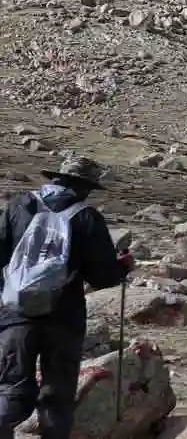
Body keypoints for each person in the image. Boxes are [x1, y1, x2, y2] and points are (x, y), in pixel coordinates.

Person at [0, 156, 134, 438]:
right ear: (84, 186)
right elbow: (102, 277)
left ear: (56, 178)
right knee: (58, 394)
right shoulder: (86, 217)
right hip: (64, 317)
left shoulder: (18, 206)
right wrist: (122, 266)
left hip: (15, 313)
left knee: (11, 389)